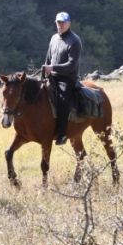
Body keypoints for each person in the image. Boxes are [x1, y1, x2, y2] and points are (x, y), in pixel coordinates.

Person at [43, 11, 82, 145]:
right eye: (58, 22)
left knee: (63, 100)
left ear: (69, 23)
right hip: (51, 76)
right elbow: (48, 58)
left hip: (67, 79)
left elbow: (71, 65)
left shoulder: (74, 41)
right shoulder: (54, 38)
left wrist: (53, 68)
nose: (60, 25)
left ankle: (62, 133)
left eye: (63, 22)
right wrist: (45, 72)